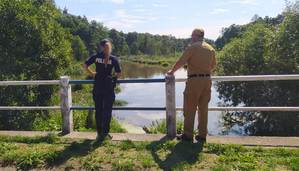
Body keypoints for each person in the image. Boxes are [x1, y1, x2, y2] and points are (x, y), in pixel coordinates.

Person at [167, 28, 216, 143]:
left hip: (194, 81)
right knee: (203, 109)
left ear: (197, 36)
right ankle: (202, 135)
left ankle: (188, 135)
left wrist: (172, 71)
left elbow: (181, 61)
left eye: (192, 35)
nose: (191, 37)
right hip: (207, 80)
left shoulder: (192, 47)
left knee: (190, 108)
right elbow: (213, 66)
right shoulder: (211, 48)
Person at [83, 39, 121, 140]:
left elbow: (85, 65)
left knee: (98, 110)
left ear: (100, 47)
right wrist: (112, 77)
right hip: (108, 87)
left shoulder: (95, 57)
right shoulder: (113, 59)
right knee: (107, 111)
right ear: (110, 46)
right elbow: (118, 73)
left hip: (98, 86)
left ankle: (99, 133)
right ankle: (105, 133)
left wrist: (92, 73)